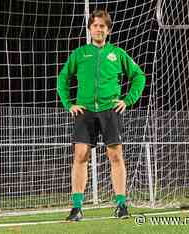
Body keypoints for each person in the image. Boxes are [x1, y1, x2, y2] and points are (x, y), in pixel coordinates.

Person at [57, 9, 146, 221]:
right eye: (95, 25)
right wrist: (69, 104)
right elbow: (62, 79)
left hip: (110, 109)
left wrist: (127, 100)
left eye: (102, 26)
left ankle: (121, 205)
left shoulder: (117, 53)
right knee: (80, 156)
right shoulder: (80, 53)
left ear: (108, 30)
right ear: (90, 28)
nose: (99, 29)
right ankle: (77, 207)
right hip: (85, 110)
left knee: (115, 156)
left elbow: (138, 76)